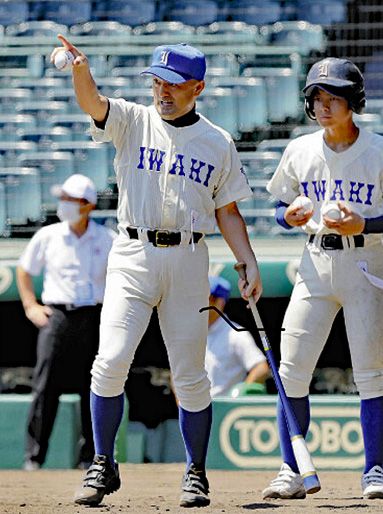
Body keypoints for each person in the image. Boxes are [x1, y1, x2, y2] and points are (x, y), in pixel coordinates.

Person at [50, 36, 262, 509]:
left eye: (173, 83)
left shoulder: (216, 141)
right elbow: (94, 103)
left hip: (189, 257)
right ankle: (102, 463)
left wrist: (246, 258)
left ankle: (195, 471)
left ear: (198, 87)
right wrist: (80, 70)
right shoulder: (133, 119)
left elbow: (227, 211)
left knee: (190, 374)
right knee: (110, 361)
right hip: (132, 252)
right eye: (156, 81)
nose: (162, 91)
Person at [263, 57, 383, 500]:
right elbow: (280, 207)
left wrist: (366, 226)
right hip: (314, 263)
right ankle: (290, 469)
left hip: (366, 265)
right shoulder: (300, 148)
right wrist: (287, 218)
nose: (324, 105)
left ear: (354, 101)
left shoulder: (378, 149)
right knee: (291, 369)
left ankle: (376, 469)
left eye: (333, 97)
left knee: (371, 373)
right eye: (317, 97)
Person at [16, 174, 116, 471]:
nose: (63, 205)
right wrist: (30, 305)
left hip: (94, 317)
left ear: (87, 205)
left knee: (94, 386)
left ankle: (90, 459)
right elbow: (24, 269)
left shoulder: (108, 239)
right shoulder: (48, 235)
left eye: (69, 199)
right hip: (56, 315)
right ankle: (34, 457)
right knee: (45, 386)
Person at [206, 275, 269, 397]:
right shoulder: (191, 332)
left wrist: (237, 398)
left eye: (208, 298)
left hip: (222, 410)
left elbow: (261, 368)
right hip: (195, 411)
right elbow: (178, 371)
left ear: (220, 302)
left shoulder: (236, 334)